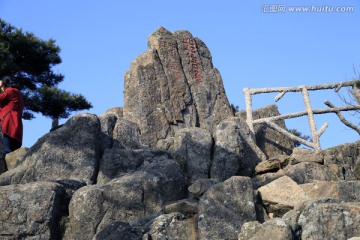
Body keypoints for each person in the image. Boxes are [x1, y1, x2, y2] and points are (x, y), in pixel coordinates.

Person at [0, 76, 24, 154]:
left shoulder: (11, 91)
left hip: (7, 127)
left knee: (5, 152)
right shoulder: (18, 94)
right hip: (15, 129)